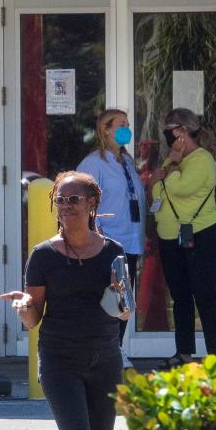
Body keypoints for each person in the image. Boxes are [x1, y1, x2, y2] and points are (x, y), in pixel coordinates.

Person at [1, 171, 130, 430]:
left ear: (92, 204)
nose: (66, 206)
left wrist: (122, 307)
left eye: (74, 199)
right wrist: (24, 310)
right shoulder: (43, 255)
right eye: (60, 199)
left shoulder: (113, 252)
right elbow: (34, 316)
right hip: (59, 361)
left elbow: (125, 309)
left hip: (105, 360)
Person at [149, 108, 216, 367]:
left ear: (182, 131)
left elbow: (179, 187)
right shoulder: (172, 160)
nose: (168, 136)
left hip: (202, 233)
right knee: (180, 297)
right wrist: (168, 170)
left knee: (204, 294)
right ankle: (184, 352)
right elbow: (156, 192)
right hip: (170, 236)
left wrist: (169, 168)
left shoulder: (201, 159)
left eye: (170, 130)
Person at [76, 108, 144, 367]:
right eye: (121, 124)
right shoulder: (95, 163)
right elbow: (82, 197)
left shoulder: (126, 162)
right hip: (109, 242)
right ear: (105, 130)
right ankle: (105, 351)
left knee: (125, 299)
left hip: (131, 241)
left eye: (128, 123)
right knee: (110, 297)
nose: (127, 128)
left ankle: (115, 349)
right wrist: (95, 230)